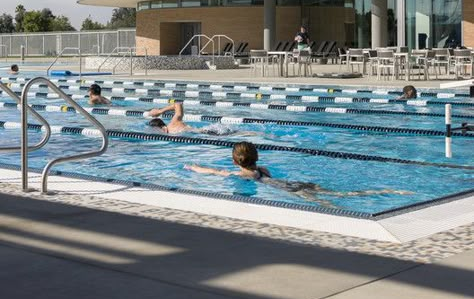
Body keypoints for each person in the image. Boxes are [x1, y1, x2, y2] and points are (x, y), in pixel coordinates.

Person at [186, 142, 411, 206]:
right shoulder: (263, 170)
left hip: (291, 190)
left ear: (235, 161)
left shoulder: (242, 176)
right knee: (345, 194)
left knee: (331, 205)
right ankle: (388, 190)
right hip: (297, 183)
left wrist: (194, 168)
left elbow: (215, 172)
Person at [147, 102, 258, 137]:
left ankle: (257, 133)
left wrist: (160, 111)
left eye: (159, 131)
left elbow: (178, 104)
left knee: (242, 134)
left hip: (209, 132)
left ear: (163, 127)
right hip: (208, 132)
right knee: (239, 134)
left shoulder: (173, 124)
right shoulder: (170, 129)